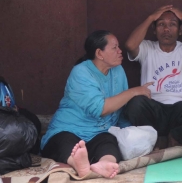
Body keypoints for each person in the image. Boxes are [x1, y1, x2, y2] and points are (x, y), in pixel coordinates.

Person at [41, 30, 152, 179]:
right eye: (114, 48)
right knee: (65, 142)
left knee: (109, 141)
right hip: (69, 129)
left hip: (98, 133)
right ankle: (78, 163)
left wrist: (127, 132)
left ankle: (105, 164)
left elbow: (121, 108)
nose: (120, 51)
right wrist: (134, 91)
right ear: (99, 53)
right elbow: (101, 109)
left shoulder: (118, 71)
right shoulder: (80, 72)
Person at [123, 5, 182, 149]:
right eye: (161, 25)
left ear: (180, 30)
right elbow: (130, 45)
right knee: (135, 103)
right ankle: (155, 139)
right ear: (154, 30)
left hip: (180, 110)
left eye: (172, 24)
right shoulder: (147, 48)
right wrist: (151, 17)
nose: (166, 29)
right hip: (154, 109)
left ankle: (176, 137)